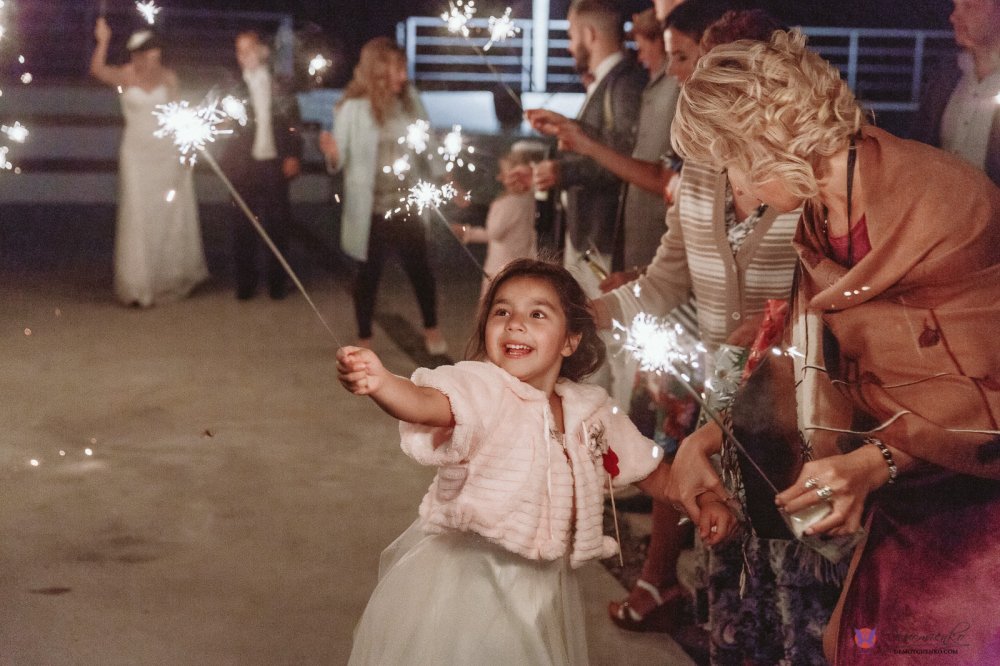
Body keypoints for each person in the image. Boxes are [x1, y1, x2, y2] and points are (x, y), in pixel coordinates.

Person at [669, 29, 1000, 664]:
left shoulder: (945, 207)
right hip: (904, 489)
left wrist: (874, 464)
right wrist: (705, 437)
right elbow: (811, 353)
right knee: (854, 641)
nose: (736, 187)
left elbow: (986, 395)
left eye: (730, 164)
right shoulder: (822, 214)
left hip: (975, 505)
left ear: (764, 143)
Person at [336, 258, 733, 664]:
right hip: (470, 586)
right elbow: (425, 402)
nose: (515, 324)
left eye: (537, 314)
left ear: (570, 340)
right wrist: (382, 383)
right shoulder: (483, 388)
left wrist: (703, 501)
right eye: (501, 312)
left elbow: (654, 474)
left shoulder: (591, 411)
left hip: (543, 590)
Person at [319, 37, 446, 354]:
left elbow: (428, 142)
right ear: (378, 69)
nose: (404, 76)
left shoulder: (409, 101)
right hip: (370, 209)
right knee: (367, 276)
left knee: (420, 270)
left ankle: (432, 330)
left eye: (404, 68)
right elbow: (340, 159)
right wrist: (332, 153)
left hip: (406, 203)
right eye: (397, 68)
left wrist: (446, 178)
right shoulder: (351, 108)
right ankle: (364, 339)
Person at [527, 0, 646, 295]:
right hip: (587, 235)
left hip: (602, 238)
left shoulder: (623, 84)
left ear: (590, 34)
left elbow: (624, 158)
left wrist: (562, 172)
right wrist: (564, 126)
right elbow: (604, 140)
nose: (569, 46)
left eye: (571, 35)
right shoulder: (606, 82)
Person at [89, 18, 208, 307]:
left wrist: (185, 149)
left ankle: (168, 277)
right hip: (136, 153)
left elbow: (178, 115)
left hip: (165, 153)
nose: (154, 59)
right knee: (138, 213)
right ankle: (138, 283)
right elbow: (97, 70)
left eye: (157, 54)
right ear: (138, 54)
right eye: (149, 54)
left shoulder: (169, 78)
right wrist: (103, 40)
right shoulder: (125, 75)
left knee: (167, 212)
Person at [221, 30, 302, 301]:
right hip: (243, 164)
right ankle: (246, 284)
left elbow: (293, 123)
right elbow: (223, 123)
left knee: (278, 223)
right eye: (239, 51)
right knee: (242, 225)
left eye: (249, 49)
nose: (244, 56)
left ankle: (277, 283)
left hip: (273, 163)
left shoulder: (280, 85)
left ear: (262, 51)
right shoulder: (233, 87)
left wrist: (293, 155)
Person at [910, 0, 1000, 185]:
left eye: (968, 6)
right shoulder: (945, 77)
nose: (953, 17)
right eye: (955, 6)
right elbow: (920, 144)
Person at [452, 141, 547, 296]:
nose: (499, 177)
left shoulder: (507, 203)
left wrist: (467, 231)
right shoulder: (532, 199)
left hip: (500, 268)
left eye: (504, 172)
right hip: (522, 267)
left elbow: (494, 232)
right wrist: (468, 233)